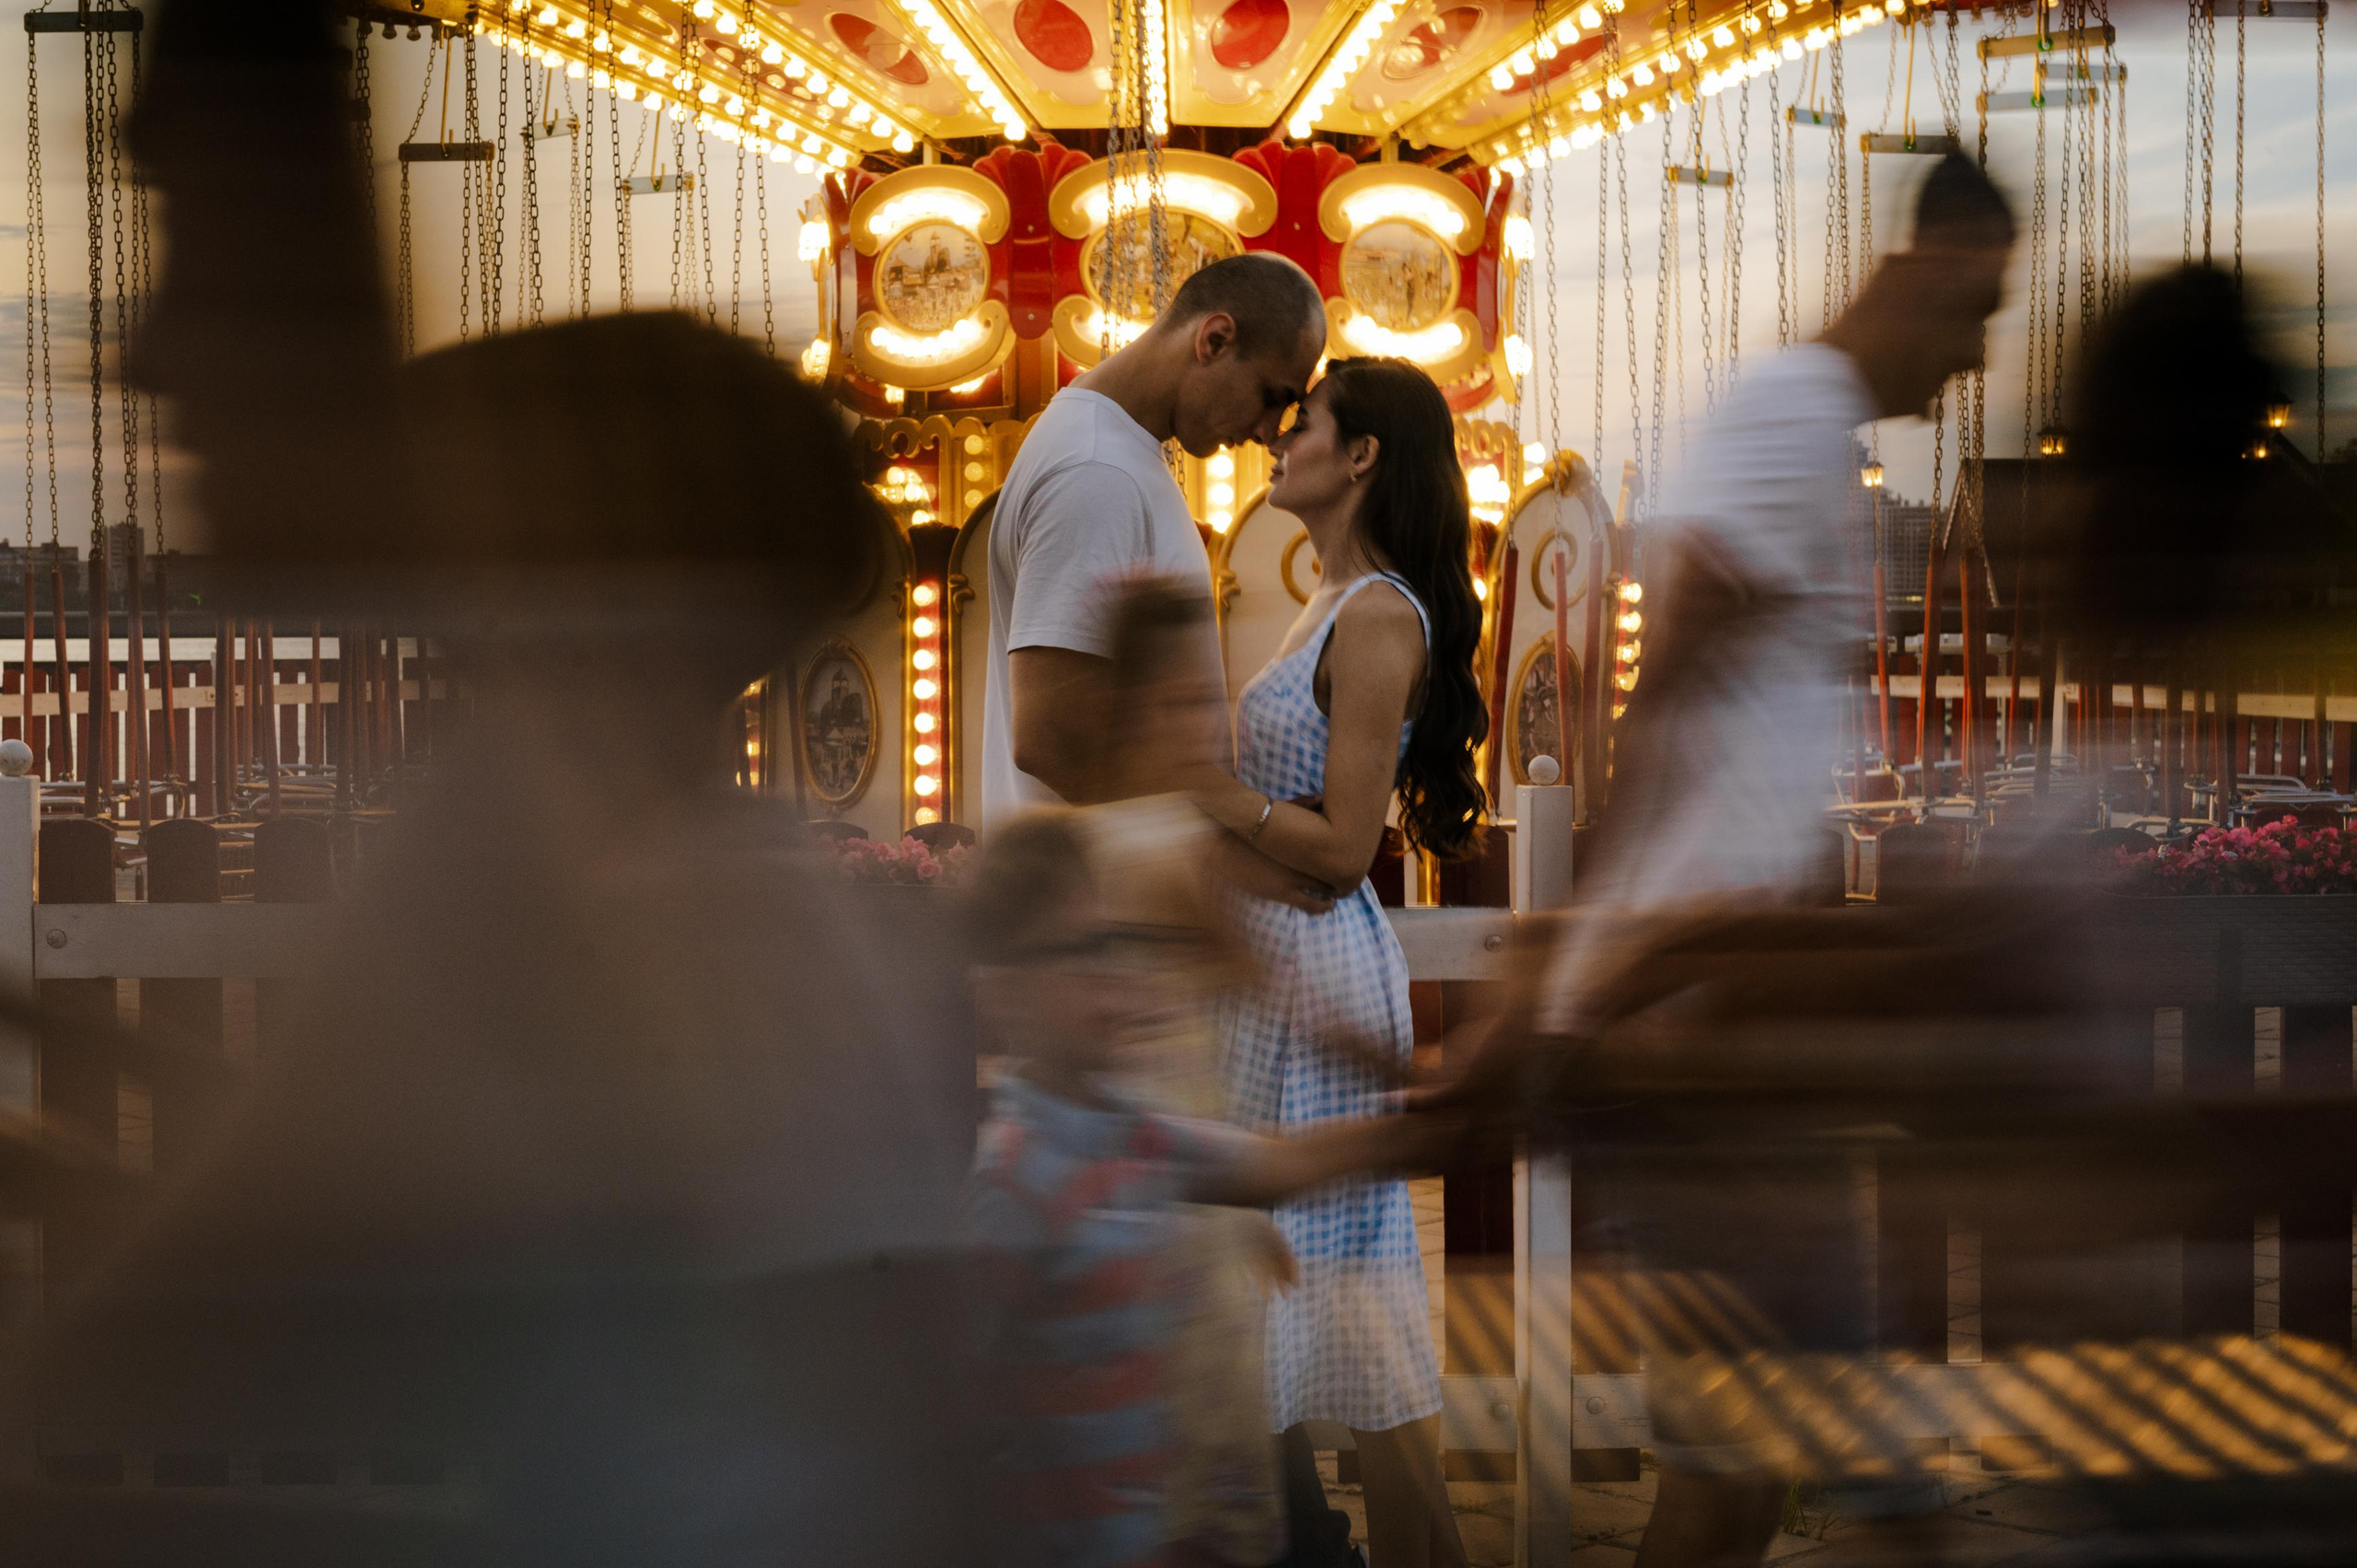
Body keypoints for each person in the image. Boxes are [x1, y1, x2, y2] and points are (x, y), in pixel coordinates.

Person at [1456, 151, 2019, 1568]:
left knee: (1744, 1470)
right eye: (1981, 310)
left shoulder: (1809, 428)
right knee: (1797, 1460)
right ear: (1931, 267)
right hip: (1702, 1023)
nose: (1973, 361)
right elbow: (1671, 698)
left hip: (1725, 1016)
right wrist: (1564, 968)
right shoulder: (1786, 417)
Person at [964, 811, 1454, 1568]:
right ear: (1000, 992)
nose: (1112, 979)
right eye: (1075, 954)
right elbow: (962, 1405)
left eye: (1112, 946)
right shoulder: (1015, 1182)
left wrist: (1439, 1122)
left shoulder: (1130, 1130)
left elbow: (1274, 1164)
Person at [1188, 357, 1490, 1568]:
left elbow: (1348, 839)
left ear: (1359, 455)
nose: (1277, 439)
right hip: (1278, 948)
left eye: (1300, 423)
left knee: (1349, 1307)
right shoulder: (1334, 595)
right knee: (1297, 1291)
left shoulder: (1374, 616)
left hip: (1311, 951)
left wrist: (1210, 798)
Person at [980, 252, 1327, 823]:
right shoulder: (1096, 472)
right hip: (1105, 905)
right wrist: (1255, 827)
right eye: (1272, 396)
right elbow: (1051, 742)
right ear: (1213, 340)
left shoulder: (1111, 452)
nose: (1269, 432)